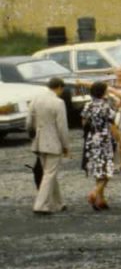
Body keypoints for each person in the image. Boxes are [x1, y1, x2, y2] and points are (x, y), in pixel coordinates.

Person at [28, 77, 70, 215]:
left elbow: (29, 122)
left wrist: (33, 135)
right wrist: (65, 145)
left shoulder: (36, 99)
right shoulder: (58, 102)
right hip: (53, 142)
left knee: (49, 173)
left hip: (39, 141)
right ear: (59, 87)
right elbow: (62, 126)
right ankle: (40, 205)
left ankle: (58, 203)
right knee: (49, 174)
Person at [81, 81, 120, 211]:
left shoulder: (88, 105)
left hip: (92, 139)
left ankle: (101, 199)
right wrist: (119, 140)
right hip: (105, 139)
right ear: (103, 92)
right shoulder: (106, 106)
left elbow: (84, 122)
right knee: (107, 169)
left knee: (98, 169)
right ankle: (95, 192)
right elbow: (112, 125)